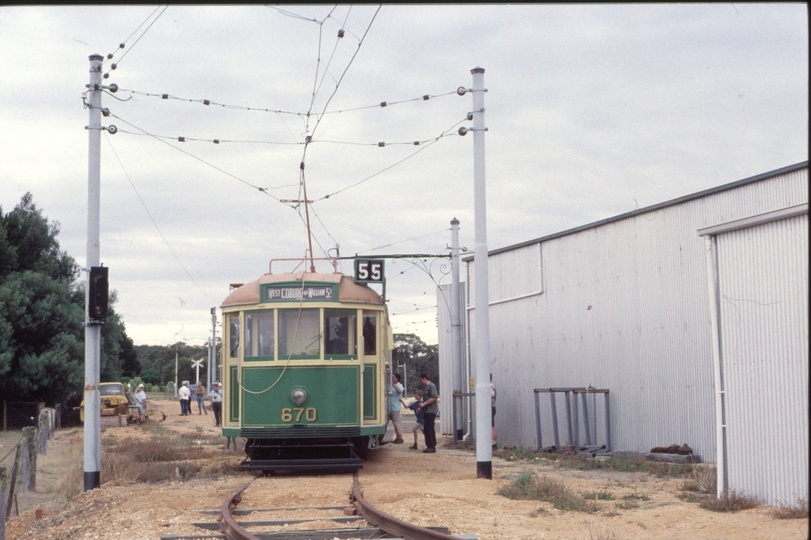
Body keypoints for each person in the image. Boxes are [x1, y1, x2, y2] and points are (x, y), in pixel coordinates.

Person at [418, 372, 438, 453]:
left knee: (428, 428)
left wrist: (424, 404)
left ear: (424, 378)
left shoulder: (431, 386)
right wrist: (421, 407)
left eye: (421, 379)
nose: (420, 381)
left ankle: (430, 446)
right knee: (429, 428)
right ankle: (432, 445)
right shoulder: (425, 387)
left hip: (431, 410)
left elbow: (434, 397)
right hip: (427, 410)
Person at [387, 373, 404, 443]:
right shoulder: (389, 385)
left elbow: (400, 391)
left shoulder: (399, 385)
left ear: (397, 379)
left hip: (395, 407)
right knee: (394, 423)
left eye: (393, 377)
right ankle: (398, 437)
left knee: (395, 422)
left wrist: (393, 385)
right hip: (389, 407)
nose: (392, 378)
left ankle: (400, 438)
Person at [490, 374, 498, 449]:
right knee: (492, 426)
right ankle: (494, 442)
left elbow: (491, 395)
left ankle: (493, 443)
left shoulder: (490, 386)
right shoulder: (493, 385)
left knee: (491, 426)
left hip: (490, 407)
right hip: (492, 407)